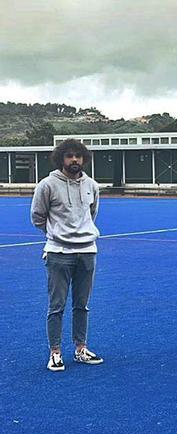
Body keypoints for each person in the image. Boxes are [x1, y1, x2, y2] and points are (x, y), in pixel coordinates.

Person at [31, 138, 104, 371]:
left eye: (78, 156)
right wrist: (57, 235)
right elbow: (38, 217)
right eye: (69, 156)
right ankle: (55, 352)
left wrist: (82, 235)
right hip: (58, 253)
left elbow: (92, 214)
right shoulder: (47, 185)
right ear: (61, 159)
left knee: (82, 305)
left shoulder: (92, 185)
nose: (74, 160)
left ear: (84, 159)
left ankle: (81, 349)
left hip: (87, 252)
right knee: (57, 306)